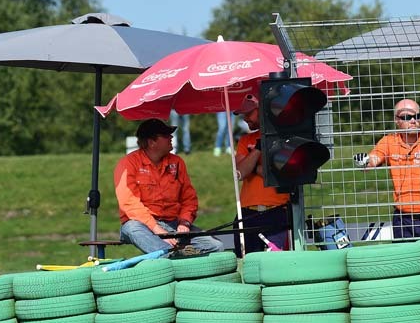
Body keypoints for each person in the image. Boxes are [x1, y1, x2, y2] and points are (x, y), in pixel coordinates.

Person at [114, 118, 224, 254]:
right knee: (132, 228)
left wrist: (184, 222)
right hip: (141, 225)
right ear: (151, 142)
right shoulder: (128, 163)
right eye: (166, 135)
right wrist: (157, 229)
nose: (171, 137)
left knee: (216, 246)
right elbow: (129, 204)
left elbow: (189, 198)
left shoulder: (177, 162)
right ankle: (172, 254)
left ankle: (174, 254)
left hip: (174, 224)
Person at [353, 99, 420, 239]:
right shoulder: (388, 141)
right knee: (405, 260)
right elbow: (375, 158)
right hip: (403, 219)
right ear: (396, 120)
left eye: (417, 116)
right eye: (406, 117)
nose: (413, 120)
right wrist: (364, 161)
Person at [233, 94, 290, 255]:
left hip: (277, 211)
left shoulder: (283, 137)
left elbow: (278, 173)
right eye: (243, 115)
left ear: (262, 111)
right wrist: (259, 148)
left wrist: (253, 167)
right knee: (244, 260)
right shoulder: (245, 140)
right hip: (247, 212)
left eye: (248, 113)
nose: (245, 119)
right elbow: (240, 172)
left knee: (276, 262)